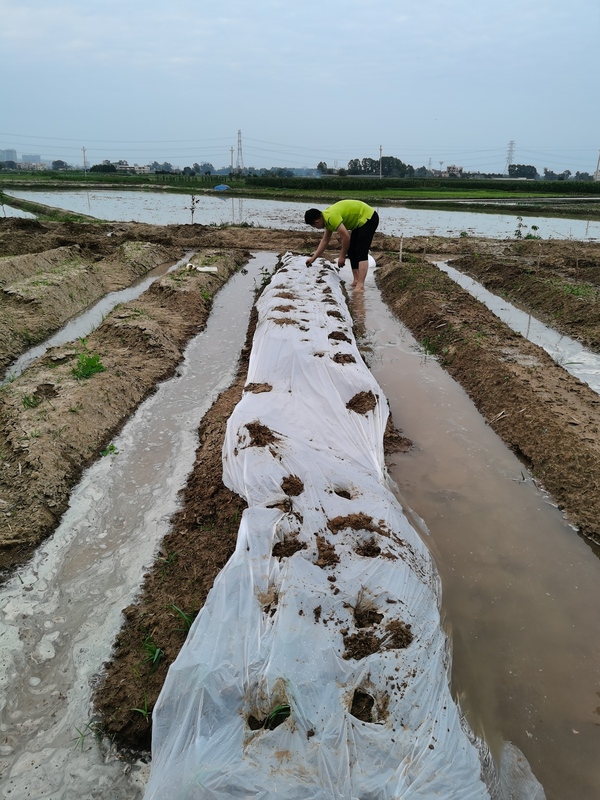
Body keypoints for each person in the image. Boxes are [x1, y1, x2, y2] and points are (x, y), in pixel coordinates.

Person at [304, 200, 379, 291]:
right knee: (351, 251)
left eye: (315, 226)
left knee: (361, 251)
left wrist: (342, 257)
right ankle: (356, 280)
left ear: (317, 222)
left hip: (368, 217)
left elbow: (346, 237)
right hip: (358, 222)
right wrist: (313, 258)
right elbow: (325, 240)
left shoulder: (331, 217)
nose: (316, 228)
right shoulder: (326, 218)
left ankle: (360, 285)